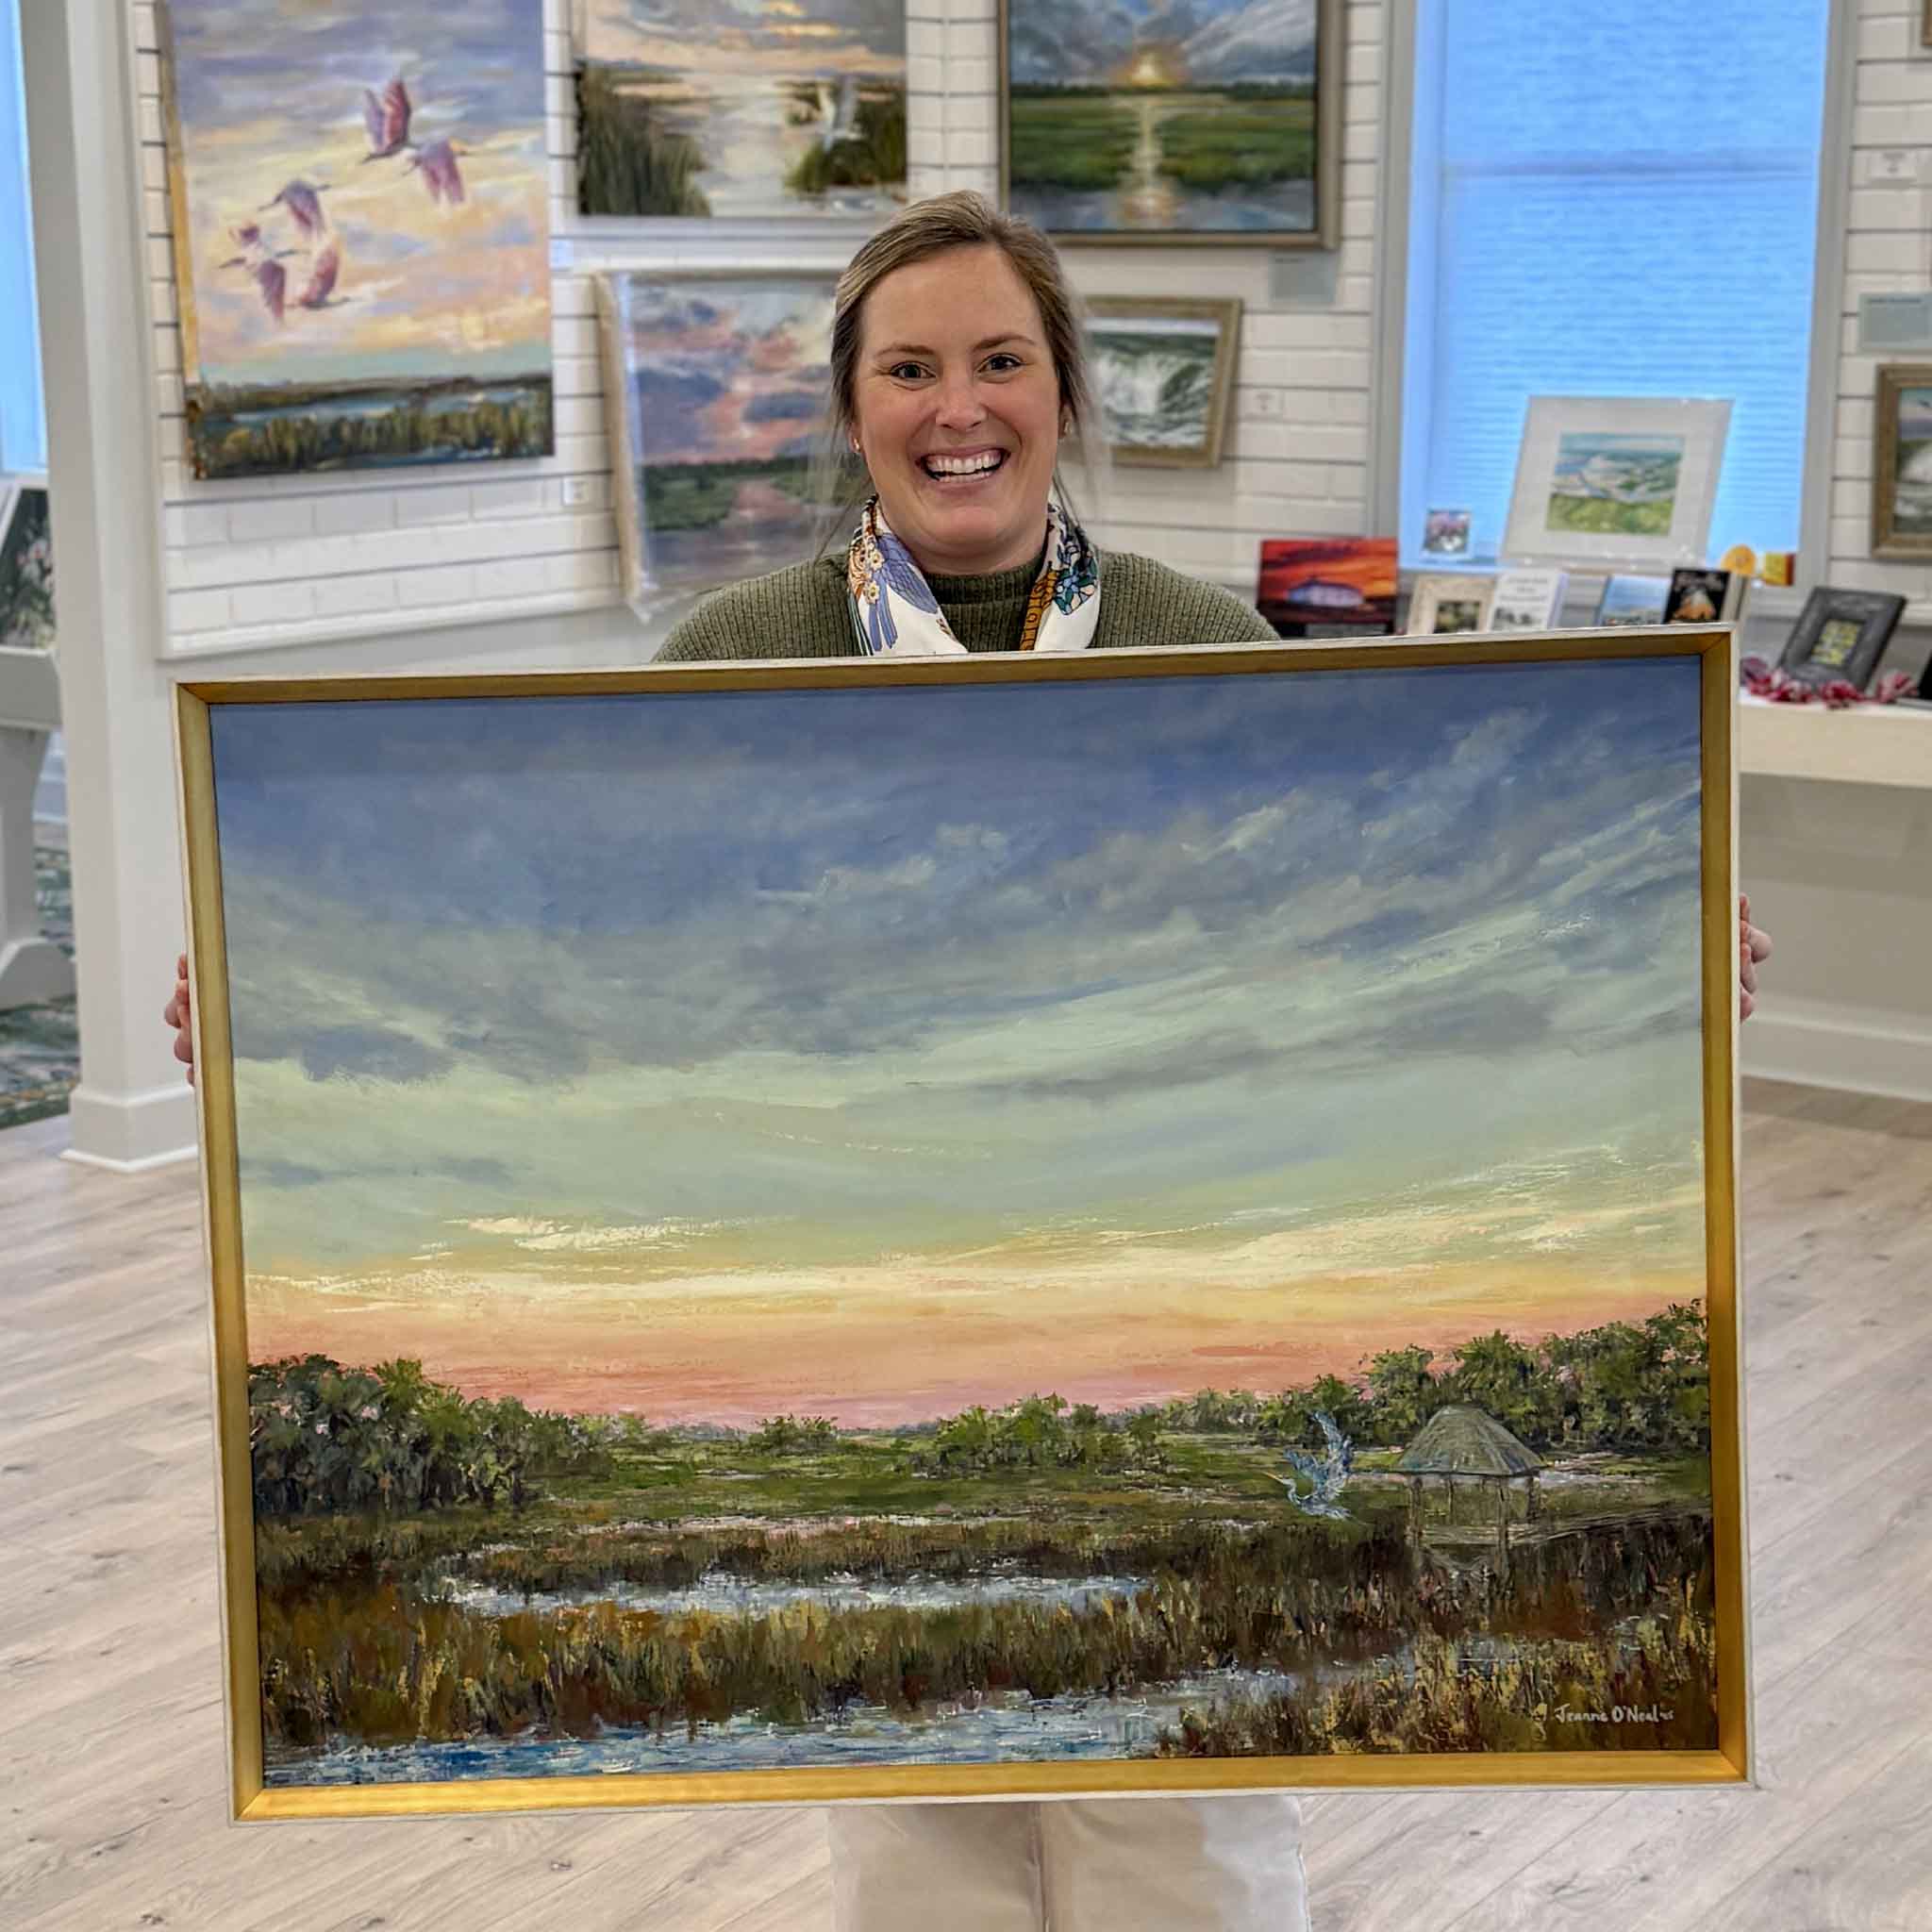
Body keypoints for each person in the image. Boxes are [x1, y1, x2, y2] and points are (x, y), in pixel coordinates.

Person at [164, 190, 1773, 1931]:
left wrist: (1671, 954)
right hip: (855, 1261)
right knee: (911, 1829)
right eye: (911, 368)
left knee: (1198, 1849)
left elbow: (1423, 945)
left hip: (1171, 1247)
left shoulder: (1207, 644)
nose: (961, 407)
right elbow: (584, 947)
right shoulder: (735, 659)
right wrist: (263, 996)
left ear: (1067, 395)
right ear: (851, 410)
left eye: (1003, 361)